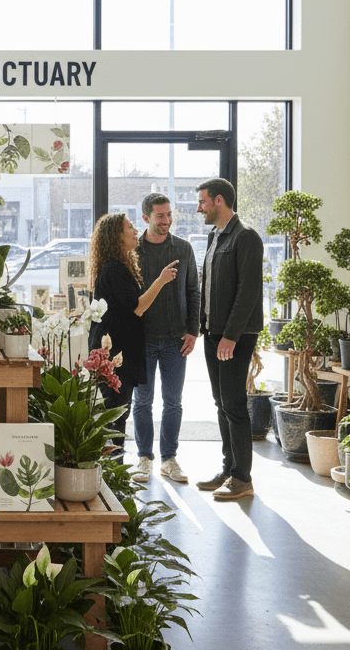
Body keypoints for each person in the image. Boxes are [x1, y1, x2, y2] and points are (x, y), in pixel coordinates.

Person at [86, 212, 180, 458]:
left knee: (118, 414)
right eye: (129, 227)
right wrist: (160, 281)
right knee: (115, 416)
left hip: (118, 351)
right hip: (114, 354)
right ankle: (112, 479)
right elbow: (136, 308)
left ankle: (113, 477)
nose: (136, 230)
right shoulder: (114, 269)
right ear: (117, 236)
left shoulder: (118, 266)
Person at [193, 178, 264, 502]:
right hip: (213, 332)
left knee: (234, 404)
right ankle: (228, 468)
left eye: (203, 202)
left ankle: (242, 477)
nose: (199, 208)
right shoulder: (215, 236)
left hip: (234, 336)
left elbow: (247, 292)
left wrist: (231, 337)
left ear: (219, 201)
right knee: (221, 404)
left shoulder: (245, 237)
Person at [131, 193, 200, 484]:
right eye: (160, 216)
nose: (167, 221)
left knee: (173, 402)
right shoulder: (133, 250)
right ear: (146, 218)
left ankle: (169, 459)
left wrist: (194, 331)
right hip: (143, 338)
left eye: (169, 214)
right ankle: (144, 458)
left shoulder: (183, 249)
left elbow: (194, 291)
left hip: (176, 339)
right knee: (142, 402)